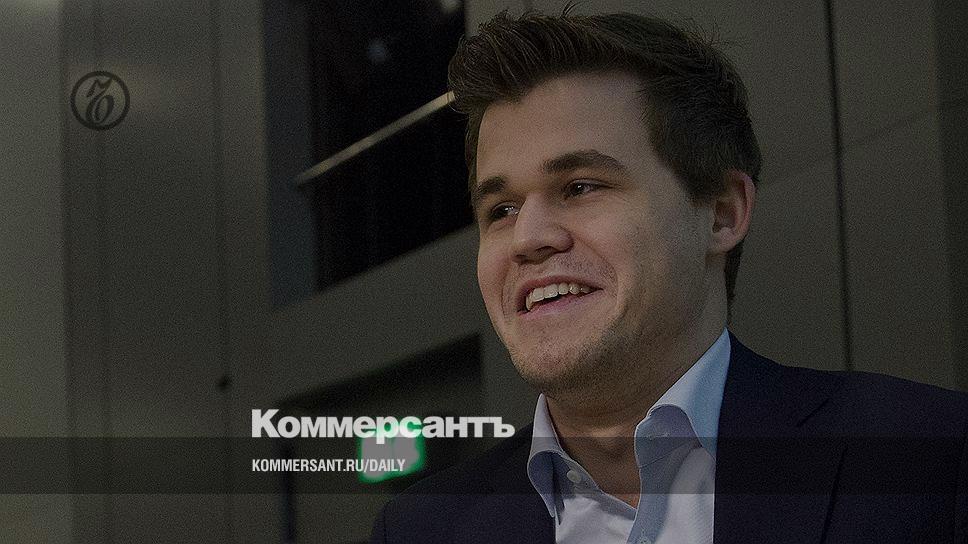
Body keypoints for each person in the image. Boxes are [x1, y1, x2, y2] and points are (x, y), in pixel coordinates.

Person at [370, 9, 968, 544]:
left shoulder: (932, 462)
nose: (527, 239)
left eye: (580, 187)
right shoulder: (421, 529)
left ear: (722, 213)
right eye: (500, 210)